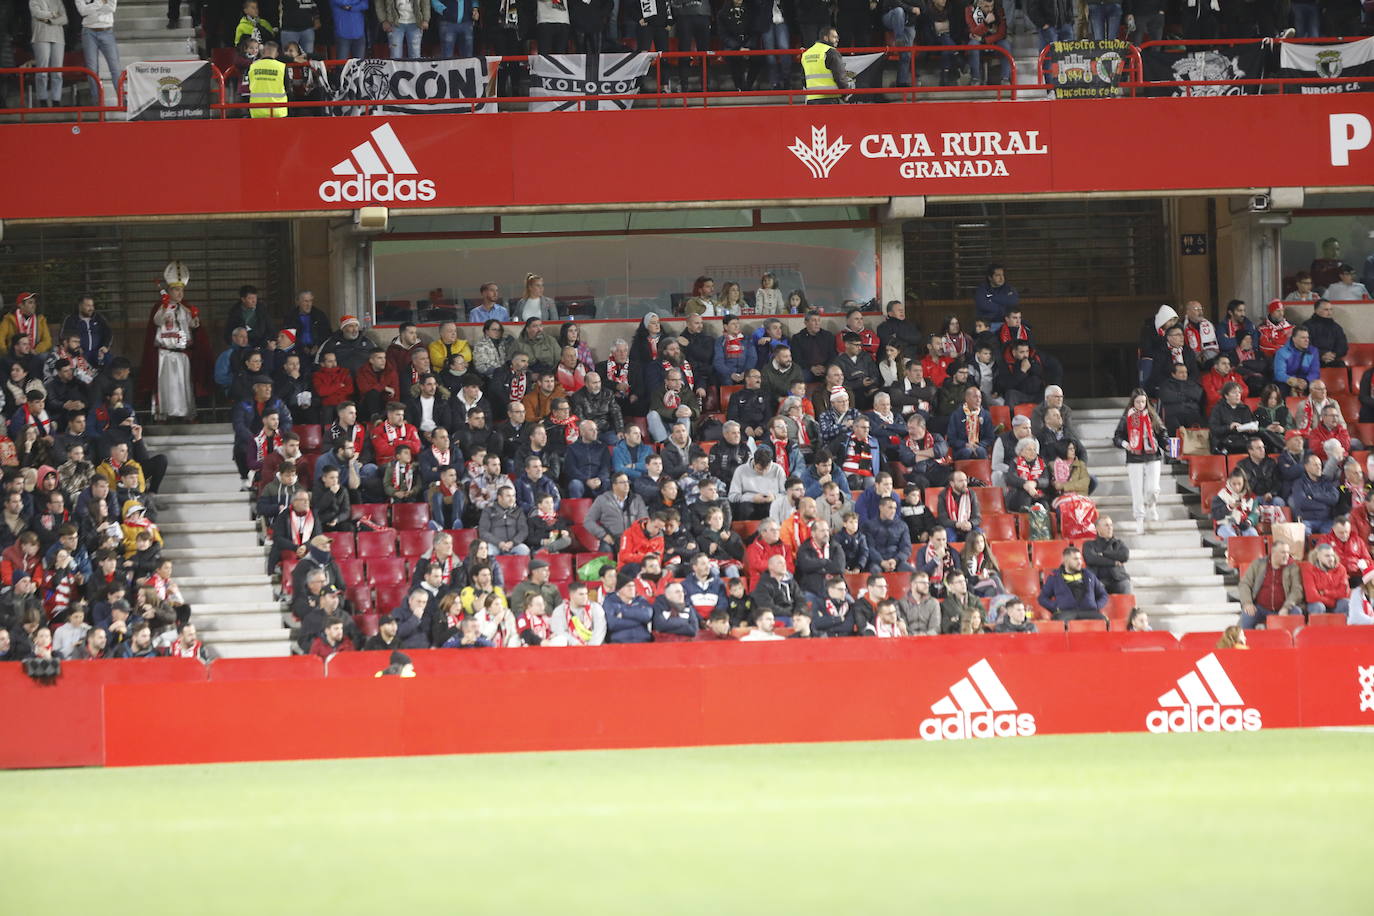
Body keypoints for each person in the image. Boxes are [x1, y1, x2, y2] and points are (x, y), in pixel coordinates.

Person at [1237, 540, 1302, 629]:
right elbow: (1245, 584)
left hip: (1283, 607)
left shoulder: (1292, 567)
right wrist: (1247, 603)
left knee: (1296, 612)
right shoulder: (1258, 564)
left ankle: (1294, 641)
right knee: (1247, 615)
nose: (1286, 555)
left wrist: (1286, 607)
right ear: (1274, 553)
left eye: (1287, 552)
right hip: (1260, 608)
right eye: (1283, 552)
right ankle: (1247, 642)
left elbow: (1297, 590)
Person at [1038, 547, 1108, 622]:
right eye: (1075, 559)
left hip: (1089, 612)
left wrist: (1096, 606)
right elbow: (1042, 598)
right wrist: (1056, 607)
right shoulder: (1054, 577)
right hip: (1066, 613)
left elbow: (1103, 594)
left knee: (1104, 621)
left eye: (1080, 559)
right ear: (1066, 561)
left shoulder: (1089, 575)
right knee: (1059, 622)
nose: (1079, 562)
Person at [1291, 453, 1340, 536]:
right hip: (1307, 520)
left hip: (1326, 520)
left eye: (1320, 464)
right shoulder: (1299, 483)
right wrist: (1324, 505)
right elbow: (1302, 503)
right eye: (1315, 465)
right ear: (1306, 467)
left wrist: (1314, 496)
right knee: (1304, 532)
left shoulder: (1326, 481)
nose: (1319, 467)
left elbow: (1334, 498)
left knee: (1330, 534)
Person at [801, 26, 852, 104]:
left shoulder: (806, 54)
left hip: (811, 99)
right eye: (834, 37)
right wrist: (846, 93)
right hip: (830, 99)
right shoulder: (831, 52)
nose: (837, 40)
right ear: (825, 38)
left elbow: (803, 78)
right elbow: (839, 76)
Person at [1083, 516, 1131, 595]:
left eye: (1111, 525)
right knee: (1094, 588)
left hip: (1118, 579)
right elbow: (1091, 559)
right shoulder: (1089, 544)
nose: (1110, 528)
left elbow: (1125, 555)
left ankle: (1130, 607)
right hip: (1099, 580)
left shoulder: (1118, 543)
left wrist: (1104, 554)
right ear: (1098, 528)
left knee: (1125, 584)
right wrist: (1114, 562)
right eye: (1106, 525)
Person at [1302, 542, 1350, 619]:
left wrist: (1325, 592)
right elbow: (1312, 597)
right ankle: (1317, 631)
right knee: (1318, 606)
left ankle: (1341, 630)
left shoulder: (1341, 569)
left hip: (1336, 604)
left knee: (1346, 603)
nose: (1331, 559)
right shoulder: (1309, 569)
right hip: (1319, 604)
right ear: (1318, 556)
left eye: (1332, 555)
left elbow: (1344, 593)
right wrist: (1331, 602)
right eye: (1327, 556)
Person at [1212, 471, 1259, 541]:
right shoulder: (1221, 495)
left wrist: (1249, 521)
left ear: (1244, 483)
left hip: (1243, 525)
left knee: (1253, 534)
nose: (1237, 487)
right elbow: (1216, 515)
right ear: (1229, 482)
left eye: (1239, 484)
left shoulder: (1250, 496)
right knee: (1233, 538)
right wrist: (1229, 507)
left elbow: (1255, 513)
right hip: (1224, 525)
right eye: (1234, 484)